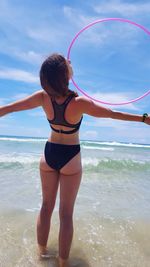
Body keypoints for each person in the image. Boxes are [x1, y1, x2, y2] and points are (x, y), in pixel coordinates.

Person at [0, 53, 149, 267]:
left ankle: (40, 255)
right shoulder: (80, 103)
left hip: (49, 154)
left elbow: (9, 108)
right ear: (64, 75)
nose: (70, 63)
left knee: (45, 207)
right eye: (67, 63)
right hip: (70, 157)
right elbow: (113, 114)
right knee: (66, 214)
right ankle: (63, 263)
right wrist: (144, 119)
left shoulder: (42, 97)